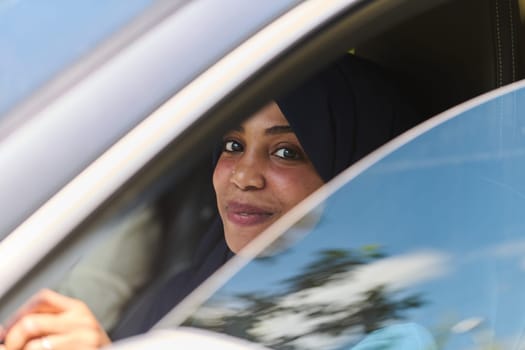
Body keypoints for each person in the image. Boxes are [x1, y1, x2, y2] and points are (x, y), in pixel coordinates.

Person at [0, 53, 419, 349]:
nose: (242, 175)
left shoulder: (391, 333)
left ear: (356, 170)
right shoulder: (198, 287)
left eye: (287, 151)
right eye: (233, 144)